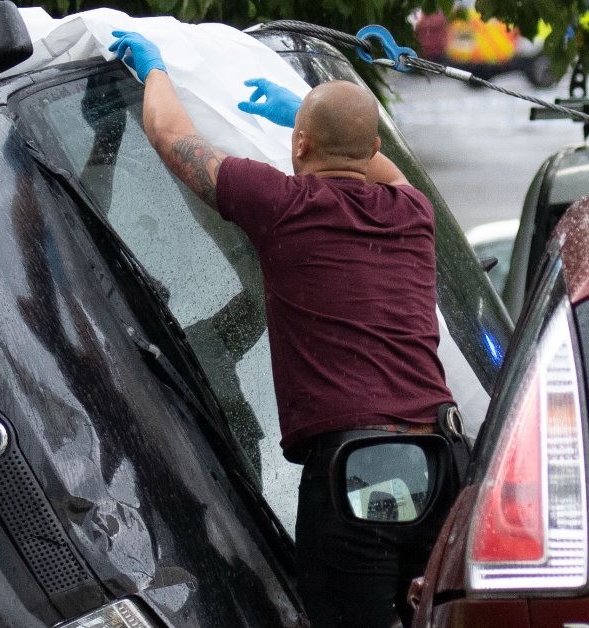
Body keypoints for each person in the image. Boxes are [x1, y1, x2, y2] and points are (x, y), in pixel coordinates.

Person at [109, 31, 458, 628]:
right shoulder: (413, 213)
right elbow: (385, 167)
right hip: (441, 468)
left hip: (354, 476)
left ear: (299, 145)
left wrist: (155, 70)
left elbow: (173, 138)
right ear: (371, 145)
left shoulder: (283, 204)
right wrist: (304, 113)